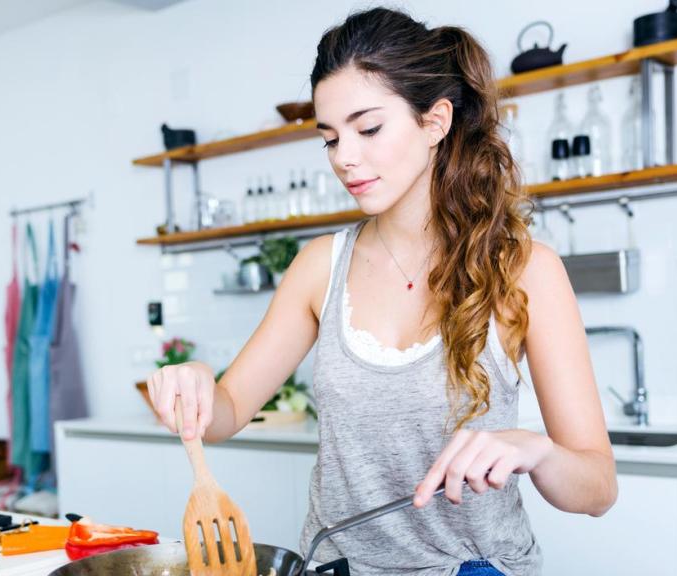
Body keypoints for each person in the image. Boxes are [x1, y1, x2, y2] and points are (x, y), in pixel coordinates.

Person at [148, 7, 617, 576]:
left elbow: (597, 488)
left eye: (368, 128)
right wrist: (195, 386)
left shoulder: (525, 271)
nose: (345, 157)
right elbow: (225, 412)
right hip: (338, 566)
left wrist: (533, 449)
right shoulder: (320, 266)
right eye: (330, 138)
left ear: (435, 121)